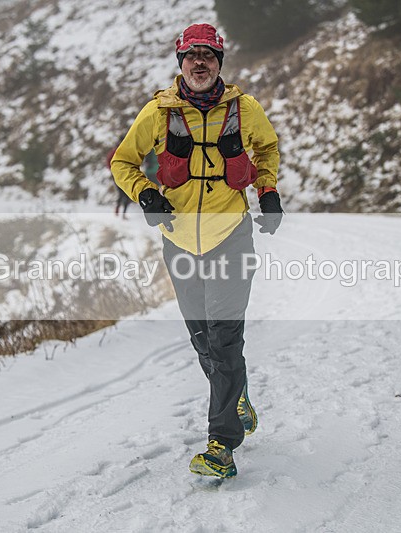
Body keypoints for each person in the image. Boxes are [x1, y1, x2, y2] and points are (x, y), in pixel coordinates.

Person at [111, 23, 283, 478]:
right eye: (191, 56)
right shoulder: (159, 112)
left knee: (225, 337)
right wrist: (145, 193)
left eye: (208, 55)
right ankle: (237, 395)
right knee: (204, 340)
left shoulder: (244, 110)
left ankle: (221, 444)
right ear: (180, 63)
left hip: (232, 236)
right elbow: (122, 162)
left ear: (219, 63)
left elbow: (267, 149)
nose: (200, 62)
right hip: (180, 239)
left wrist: (267, 192)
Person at [106, 143, 132, 219]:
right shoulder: (124, 152)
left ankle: (119, 210)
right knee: (125, 194)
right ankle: (122, 213)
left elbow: (108, 162)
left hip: (117, 175)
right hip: (123, 175)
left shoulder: (113, 152)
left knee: (121, 193)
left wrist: (112, 170)